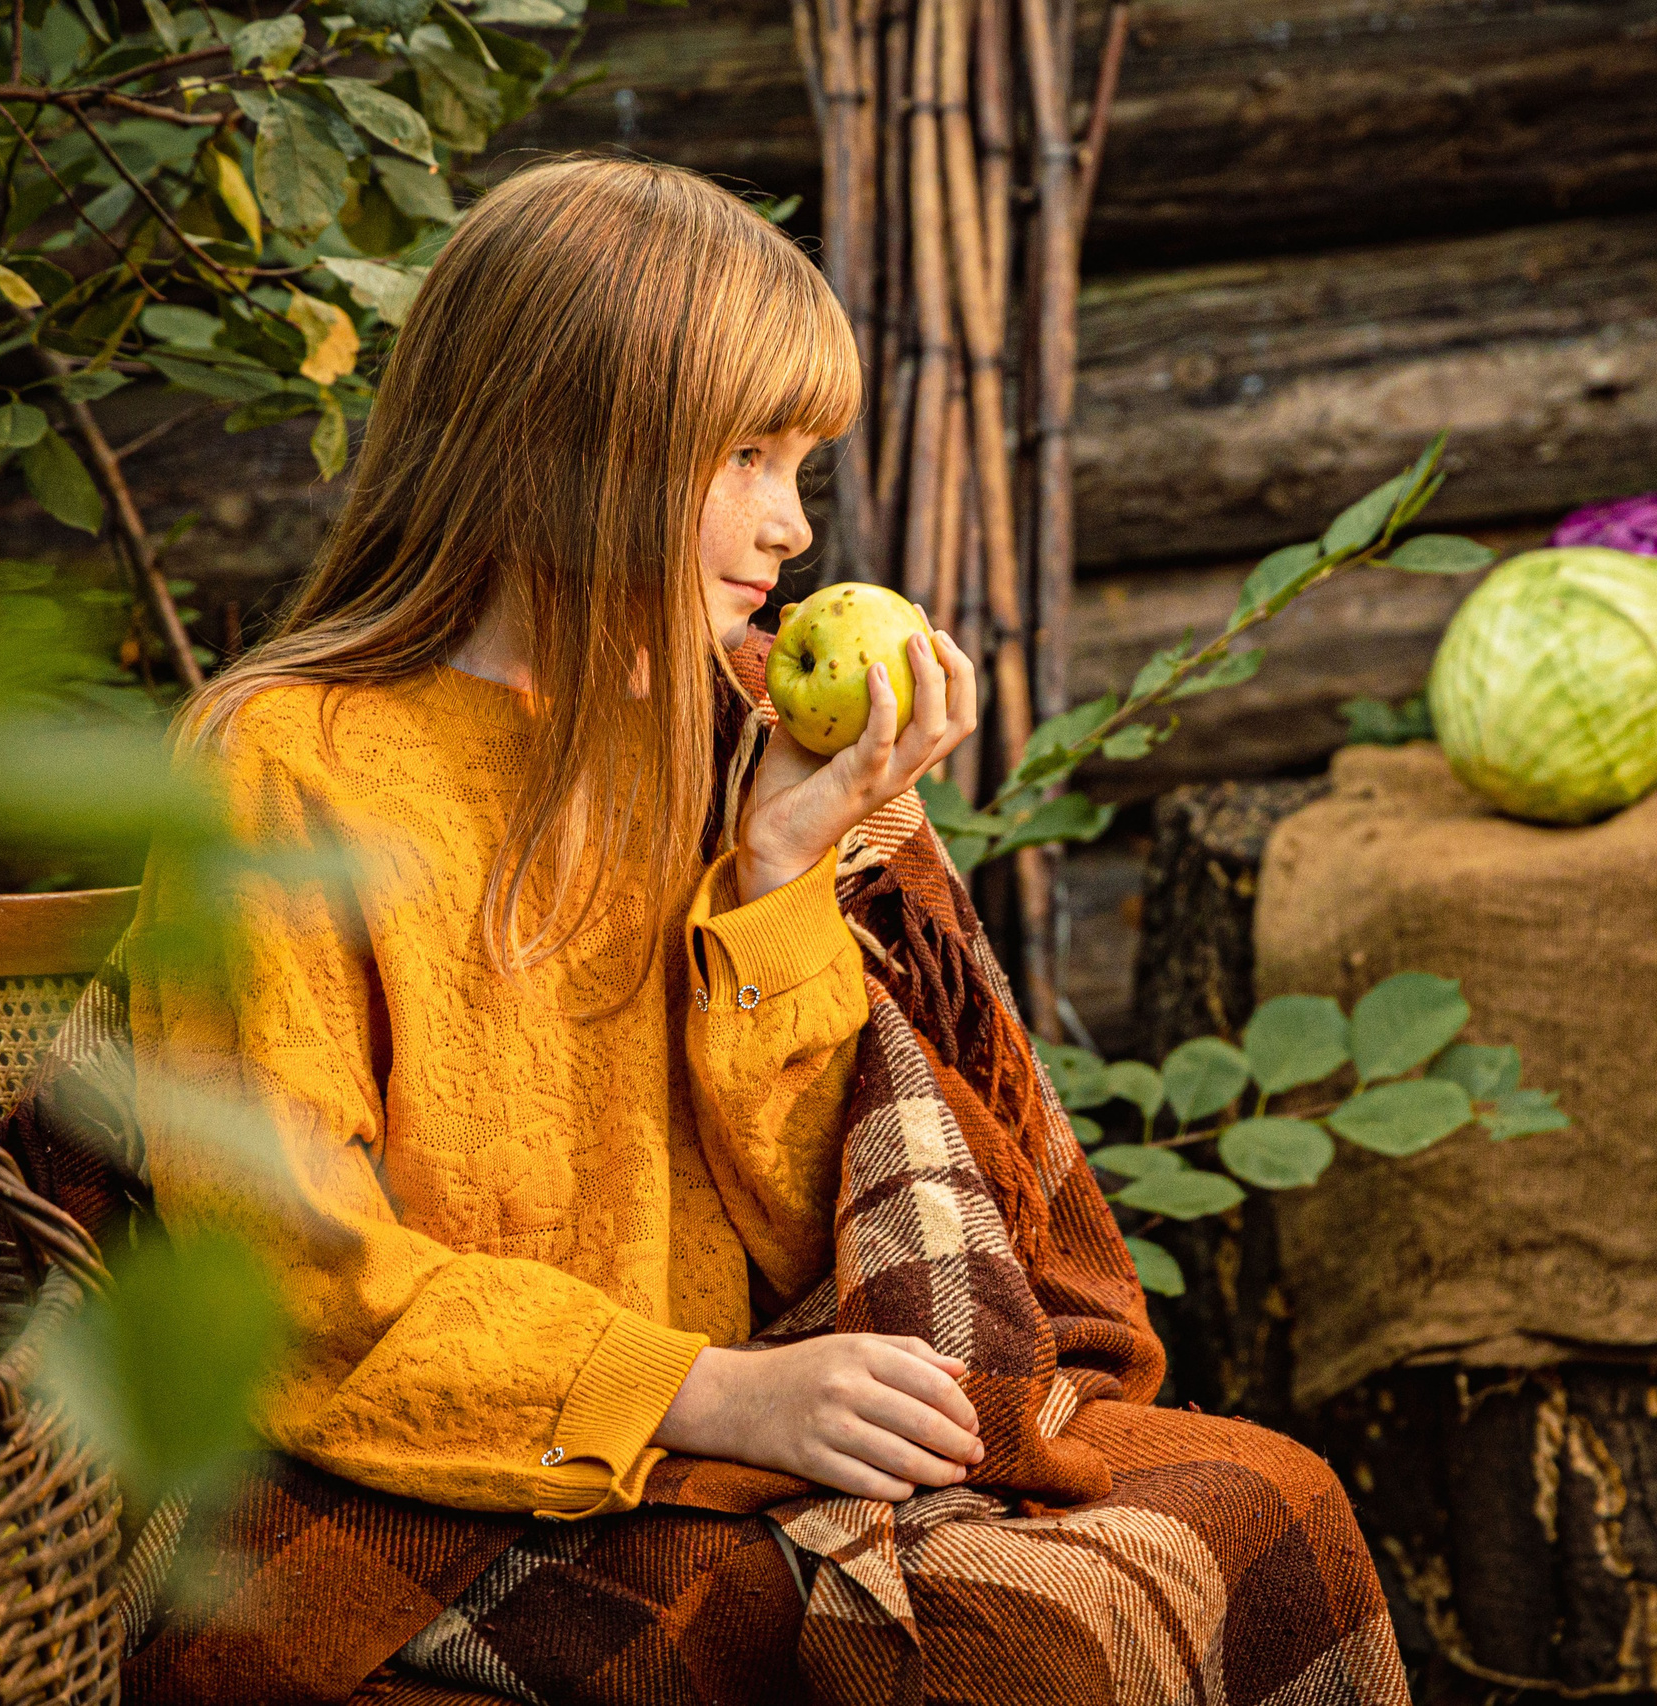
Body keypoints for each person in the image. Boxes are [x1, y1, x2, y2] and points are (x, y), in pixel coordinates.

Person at [105, 157, 1408, 1706]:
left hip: (766, 1415)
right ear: (560, 441)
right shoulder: (289, 759)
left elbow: (823, 1231)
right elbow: (291, 1280)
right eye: (745, 455)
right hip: (428, 1473)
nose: (792, 524)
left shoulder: (730, 728)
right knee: (1019, 1645)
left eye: (804, 462)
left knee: (1271, 1499)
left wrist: (783, 861)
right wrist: (712, 1393)